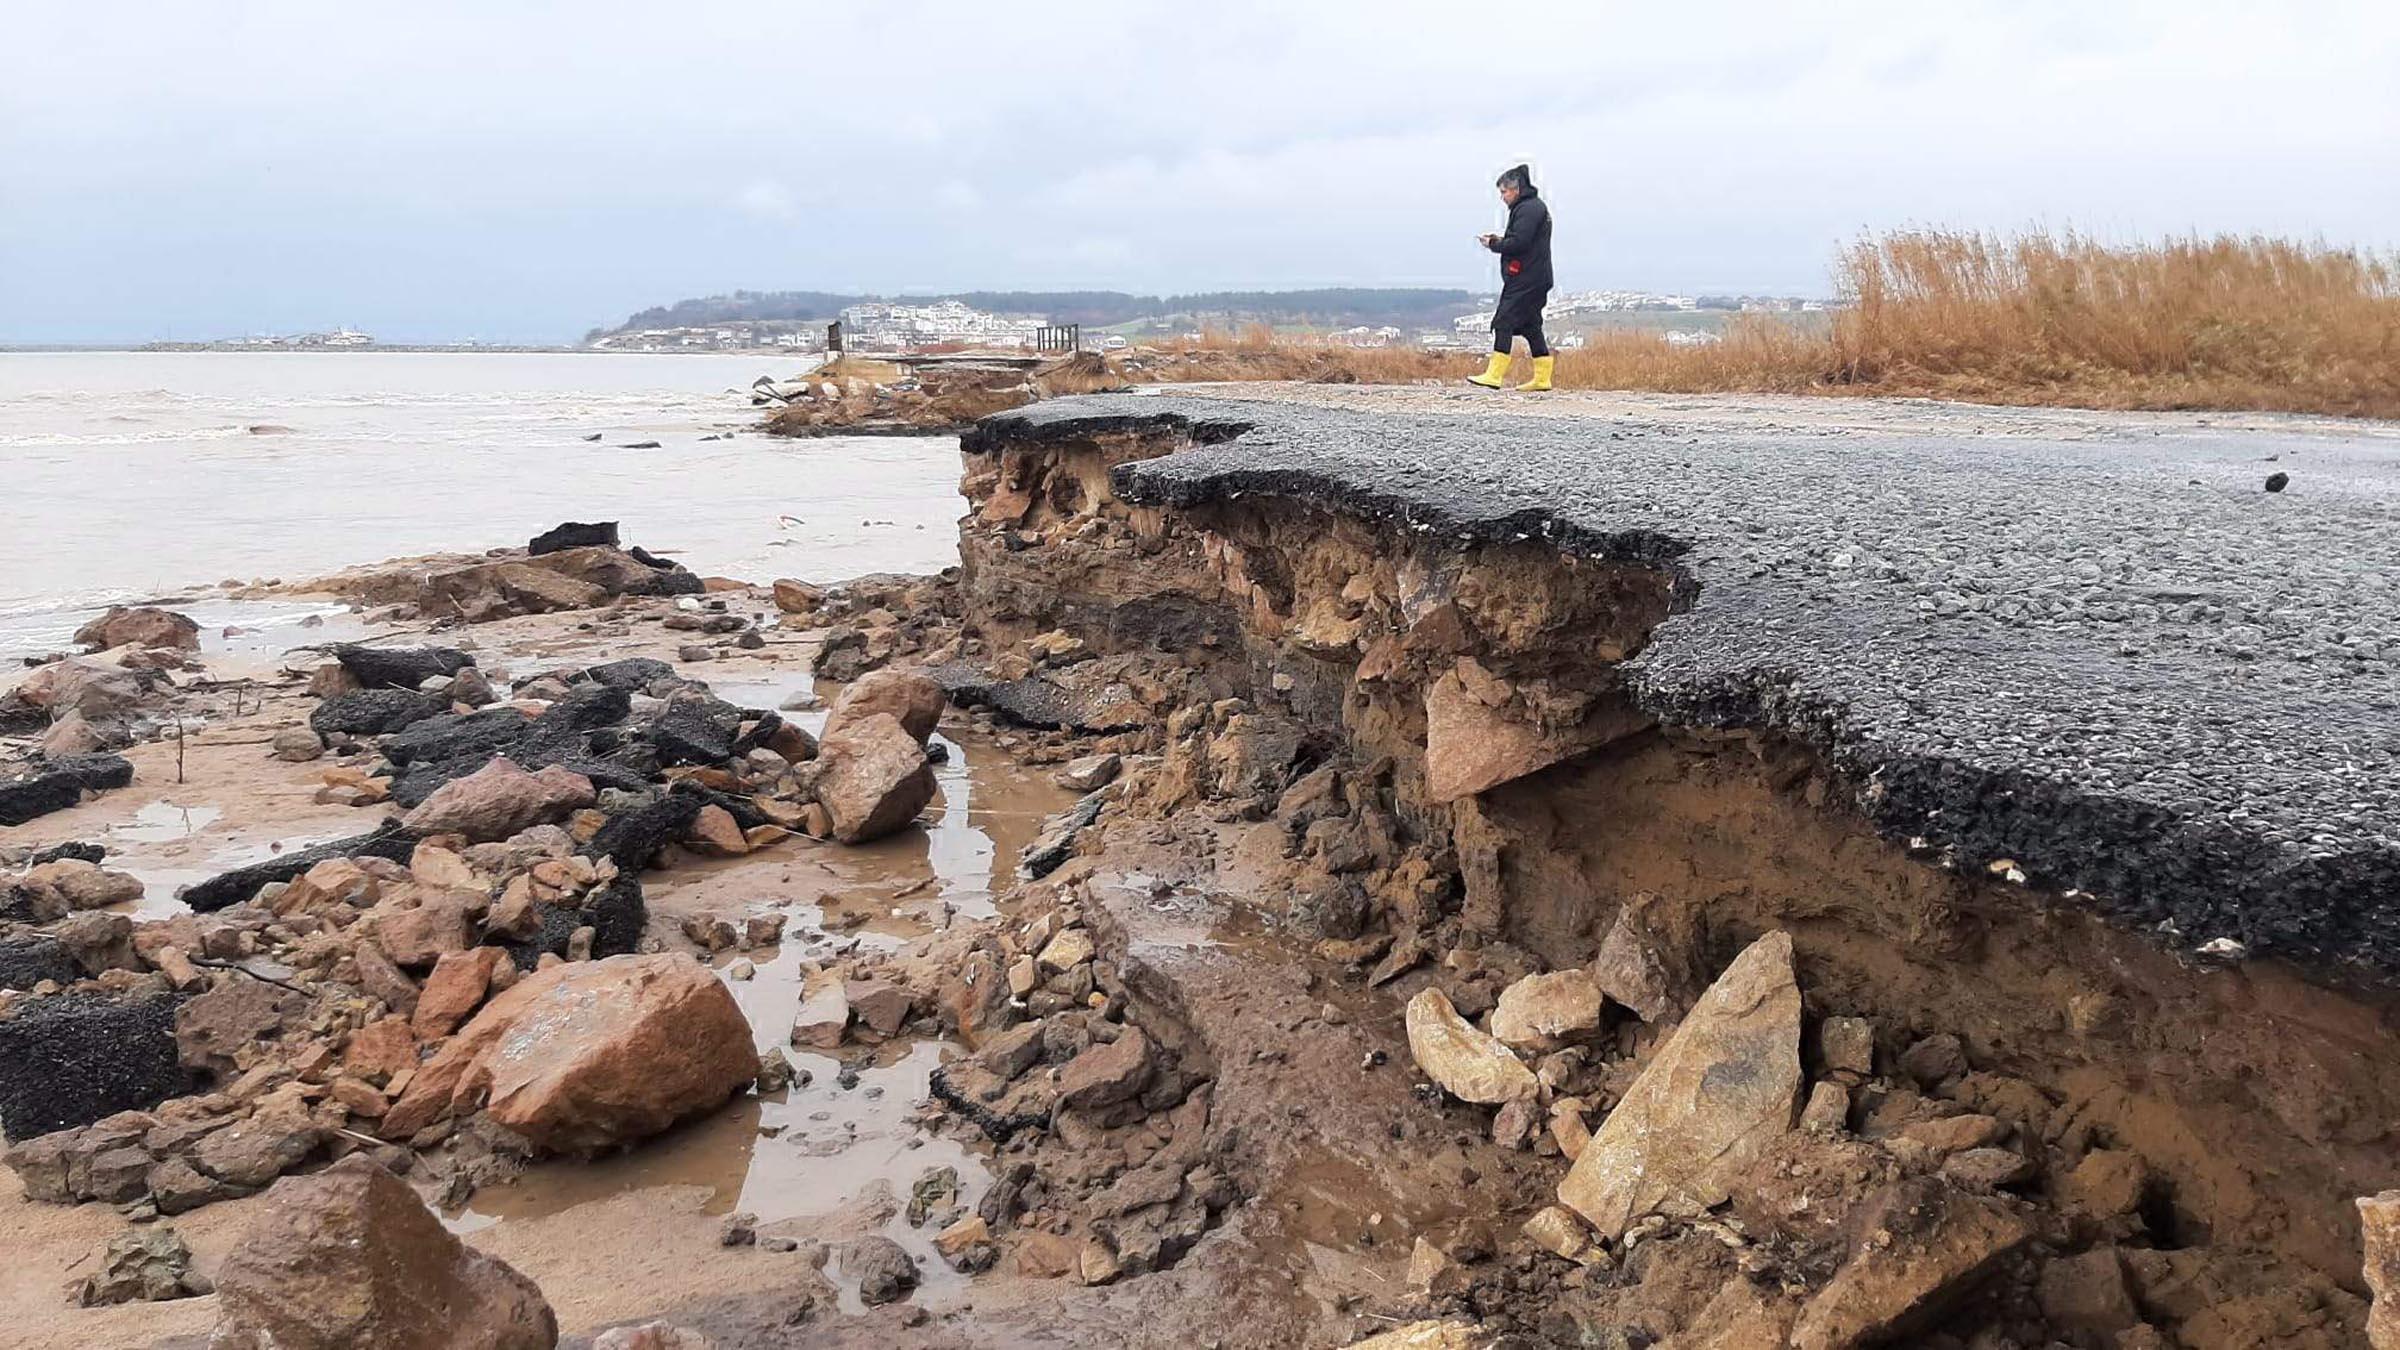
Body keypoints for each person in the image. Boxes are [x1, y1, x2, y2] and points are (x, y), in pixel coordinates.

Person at [1468, 164, 1554, 391]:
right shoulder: (1533, 208)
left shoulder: (1528, 209)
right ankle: (1543, 379)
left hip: (1527, 278)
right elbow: (1522, 238)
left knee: (1503, 322)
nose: (1502, 197)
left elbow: (1519, 243)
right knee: (1531, 325)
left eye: (1504, 192)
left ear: (1516, 189)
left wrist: (1494, 244)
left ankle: (1494, 375)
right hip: (1536, 277)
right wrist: (1500, 239)